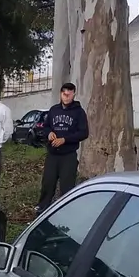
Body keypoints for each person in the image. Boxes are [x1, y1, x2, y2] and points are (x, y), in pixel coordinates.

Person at [36, 82, 89, 213]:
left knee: (67, 185)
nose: (66, 97)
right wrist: (49, 133)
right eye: (64, 94)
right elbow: (46, 126)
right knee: (48, 182)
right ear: (61, 94)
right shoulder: (54, 110)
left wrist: (65, 140)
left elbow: (83, 133)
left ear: (73, 94)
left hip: (68, 155)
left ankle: (66, 210)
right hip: (53, 154)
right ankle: (42, 208)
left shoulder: (79, 112)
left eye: (69, 94)